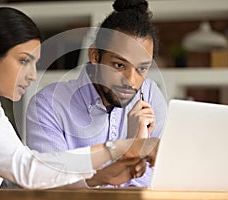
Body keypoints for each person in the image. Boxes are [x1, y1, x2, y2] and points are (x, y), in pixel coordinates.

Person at [0, 7, 158, 189]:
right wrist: (117, 147)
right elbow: (27, 170)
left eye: (35, 63)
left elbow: (39, 168)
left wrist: (102, 175)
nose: (33, 75)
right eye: (24, 61)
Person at [26, 0, 167, 188]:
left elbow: (162, 178)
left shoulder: (150, 93)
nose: (131, 81)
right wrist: (131, 148)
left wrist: (138, 145)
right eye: (119, 65)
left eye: (142, 68)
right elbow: (49, 183)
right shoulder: (47, 104)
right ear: (94, 55)